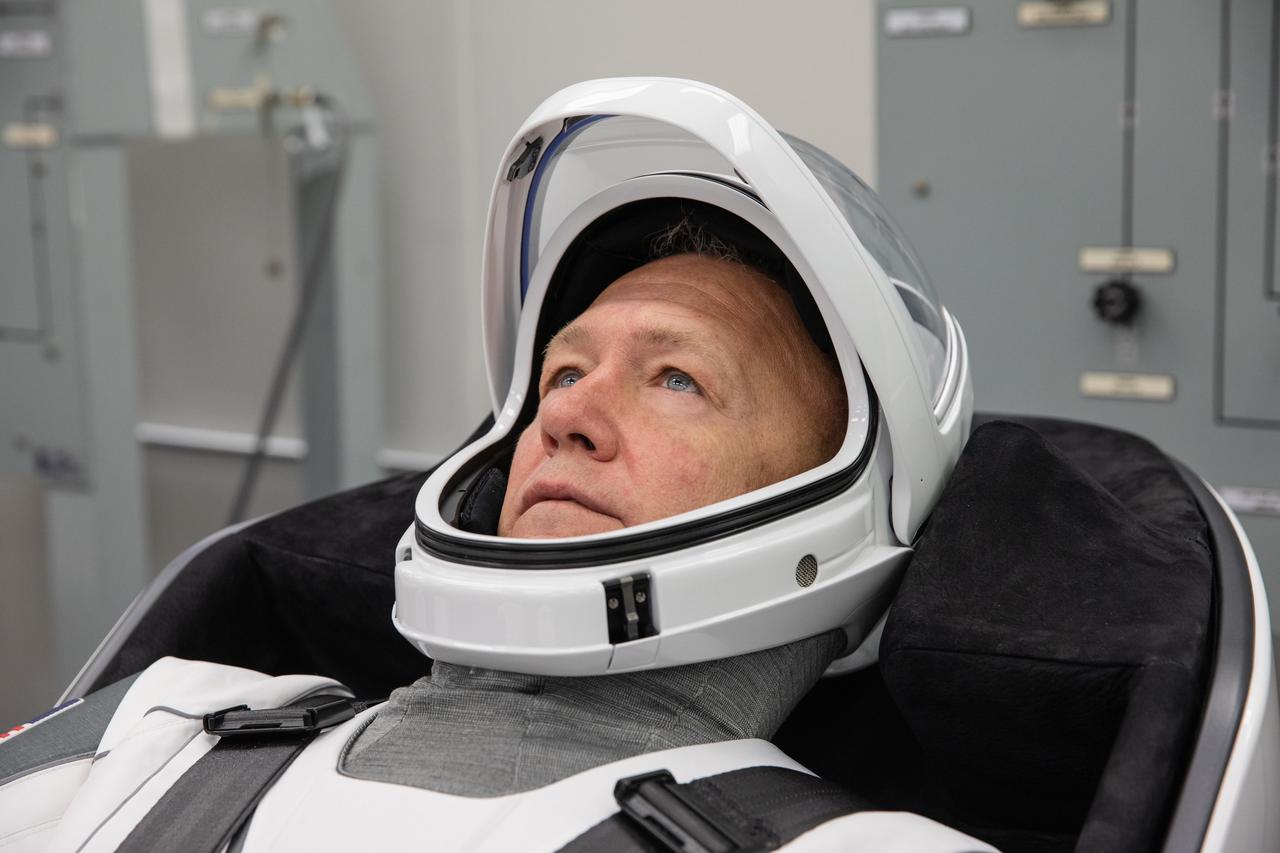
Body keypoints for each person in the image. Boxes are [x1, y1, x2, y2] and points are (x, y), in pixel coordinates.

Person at [0, 79, 985, 852]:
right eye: (562, 368)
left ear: (841, 492)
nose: (565, 413)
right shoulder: (162, 721)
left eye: (676, 378)